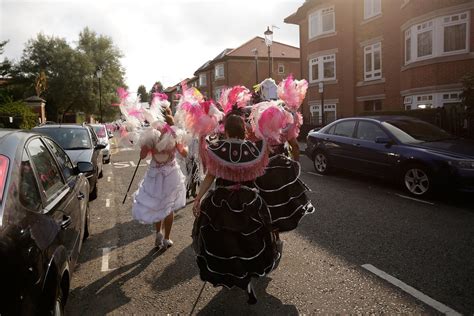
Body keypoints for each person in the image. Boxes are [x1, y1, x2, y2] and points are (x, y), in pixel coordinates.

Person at [191, 114, 280, 304]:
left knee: (226, 243)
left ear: (227, 130)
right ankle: (246, 277)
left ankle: (233, 276)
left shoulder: (217, 149)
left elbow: (210, 176)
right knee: (249, 242)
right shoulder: (253, 149)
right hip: (249, 202)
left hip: (222, 203)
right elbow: (258, 175)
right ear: (243, 130)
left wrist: (198, 198)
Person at [132, 113, 188, 249]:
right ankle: (167, 238)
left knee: (157, 205)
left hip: (155, 174)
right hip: (171, 174)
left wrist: (146, 146)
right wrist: (184, 146)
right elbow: (184, 153)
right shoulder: (174, 135)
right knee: (169, 207)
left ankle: (158, 233)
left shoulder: (151, 136)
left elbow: (142, 155)